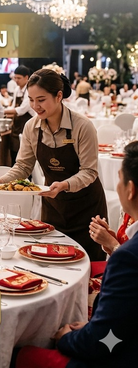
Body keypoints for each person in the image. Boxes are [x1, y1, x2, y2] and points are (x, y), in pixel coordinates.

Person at [15, 141, 138, 368]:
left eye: (119, 179)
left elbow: (101, 343)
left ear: (130, 190)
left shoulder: (127, 258)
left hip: (119, 358)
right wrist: (94, 327)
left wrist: (66, 337)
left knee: (20, 351)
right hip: (121, 337)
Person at [0, 69, 107, 260]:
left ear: (59, 96)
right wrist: (2, 181)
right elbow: (23, 166)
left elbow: (89, 171)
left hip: (86, 208)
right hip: (53, 206)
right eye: (31, 100)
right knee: (50, 259)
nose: (35, 106)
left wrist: (65, 185)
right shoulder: (31, 127)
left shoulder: (82, 126)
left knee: (88, 264)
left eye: (41, 100)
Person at [4, 65, 36, 164]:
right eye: (15, 78)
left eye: (19, 78)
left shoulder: (30, 90)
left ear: (26, 77)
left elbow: (22, 110)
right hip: (17, 126)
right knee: (14, 154)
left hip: (27, 124)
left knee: (25, 155)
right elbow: (14, 106)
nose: (16, 80)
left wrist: (2, 111)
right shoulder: (17, 90)